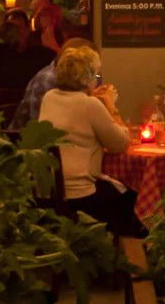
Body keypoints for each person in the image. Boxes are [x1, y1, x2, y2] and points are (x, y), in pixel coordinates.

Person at [39, 47, 146, 237]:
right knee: (132, 198)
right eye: (96, 75)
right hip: (80, 196)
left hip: (50, 192)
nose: (97, 80)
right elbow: (120, 143)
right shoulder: (90, 105)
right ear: (86, 78)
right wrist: (110, 104)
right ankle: (124, 258)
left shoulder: (50, 97)